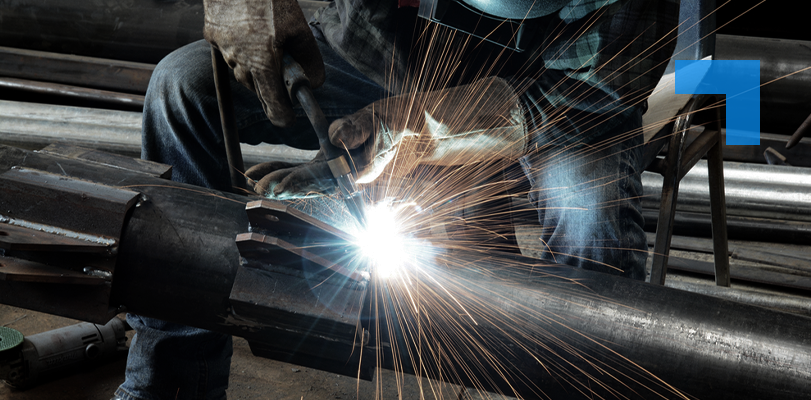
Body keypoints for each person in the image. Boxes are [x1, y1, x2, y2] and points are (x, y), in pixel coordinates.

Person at [113, 1, 679, 399]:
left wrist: (422, 129)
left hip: (554, 81)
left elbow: (593, 93)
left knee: (590, 219)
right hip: (387, 46)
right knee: (181, 86)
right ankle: (172, 382)